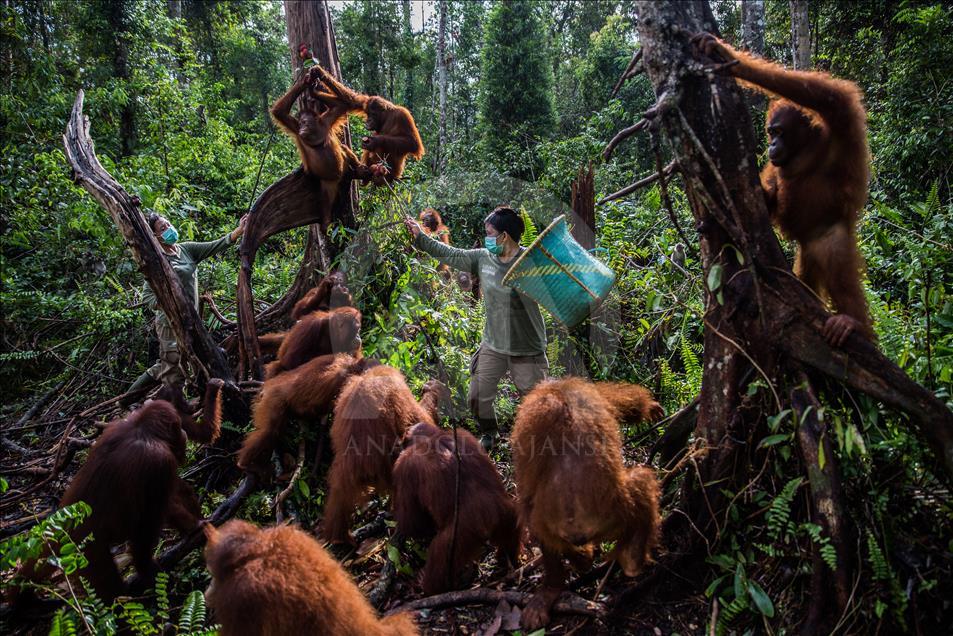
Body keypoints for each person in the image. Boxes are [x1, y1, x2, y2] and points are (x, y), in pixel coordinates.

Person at [404, 205, 547, 450]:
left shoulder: (531, 261)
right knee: (477, 396)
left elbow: (555, 291)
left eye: (490, 233)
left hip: (526, 347)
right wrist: (421, 237)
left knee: (535, 403)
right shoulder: (483, 258)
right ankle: (490, 433)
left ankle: (541, 445)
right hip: (494, 343)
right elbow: (451, 254)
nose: (487, 238)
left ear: (505, 236)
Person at [123, 212, 247, 403]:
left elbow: (215, 245)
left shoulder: (185, 249)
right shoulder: (157, 260)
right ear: (154, 237)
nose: (168, 229)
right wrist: (170, 304)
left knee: (196, 356)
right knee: (171, 365)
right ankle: (133, 401)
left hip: (193, 321)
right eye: (162, 229)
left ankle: (204, 399)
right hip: (169, 324)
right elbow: (148, 296)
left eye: (168, 224)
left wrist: (238, 231)